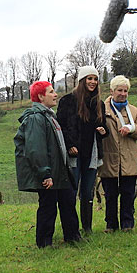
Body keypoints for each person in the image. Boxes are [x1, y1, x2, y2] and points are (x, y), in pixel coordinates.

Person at [14, 81, 81, 248]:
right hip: (49, 173)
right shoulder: (36, 118)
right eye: (51, 92)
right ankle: (44, 243)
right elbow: (36, 149)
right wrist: (45, 174)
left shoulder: (49, 116)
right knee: (48, 207)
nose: (55, 94)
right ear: (41, 96)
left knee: (68, 202)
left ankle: (73, 237)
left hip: (59, 172)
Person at [56, 65, 107, 234]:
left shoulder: (99, 103)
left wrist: (102, 131)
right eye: (89, 78)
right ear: (81, 80)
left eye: (95, 79)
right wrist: (70, 145)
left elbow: (102, 126)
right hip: (74, 154)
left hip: (91, 154)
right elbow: (62, 126)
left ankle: (87, 227)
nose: (92, 82)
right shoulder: (67, 101)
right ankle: (71, 230)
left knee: (87, 192)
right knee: (71, 193)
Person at [99, 75, 137, 231]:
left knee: (128, 193)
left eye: (126, 91)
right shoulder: (101, 109)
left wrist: (131, 130)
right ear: (112, 91)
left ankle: (127, 224)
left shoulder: (133, 111)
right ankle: (111, 225)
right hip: (109, 158)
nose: (123, 94)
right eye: (120, 90)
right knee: (110, 194)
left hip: (129, 159)